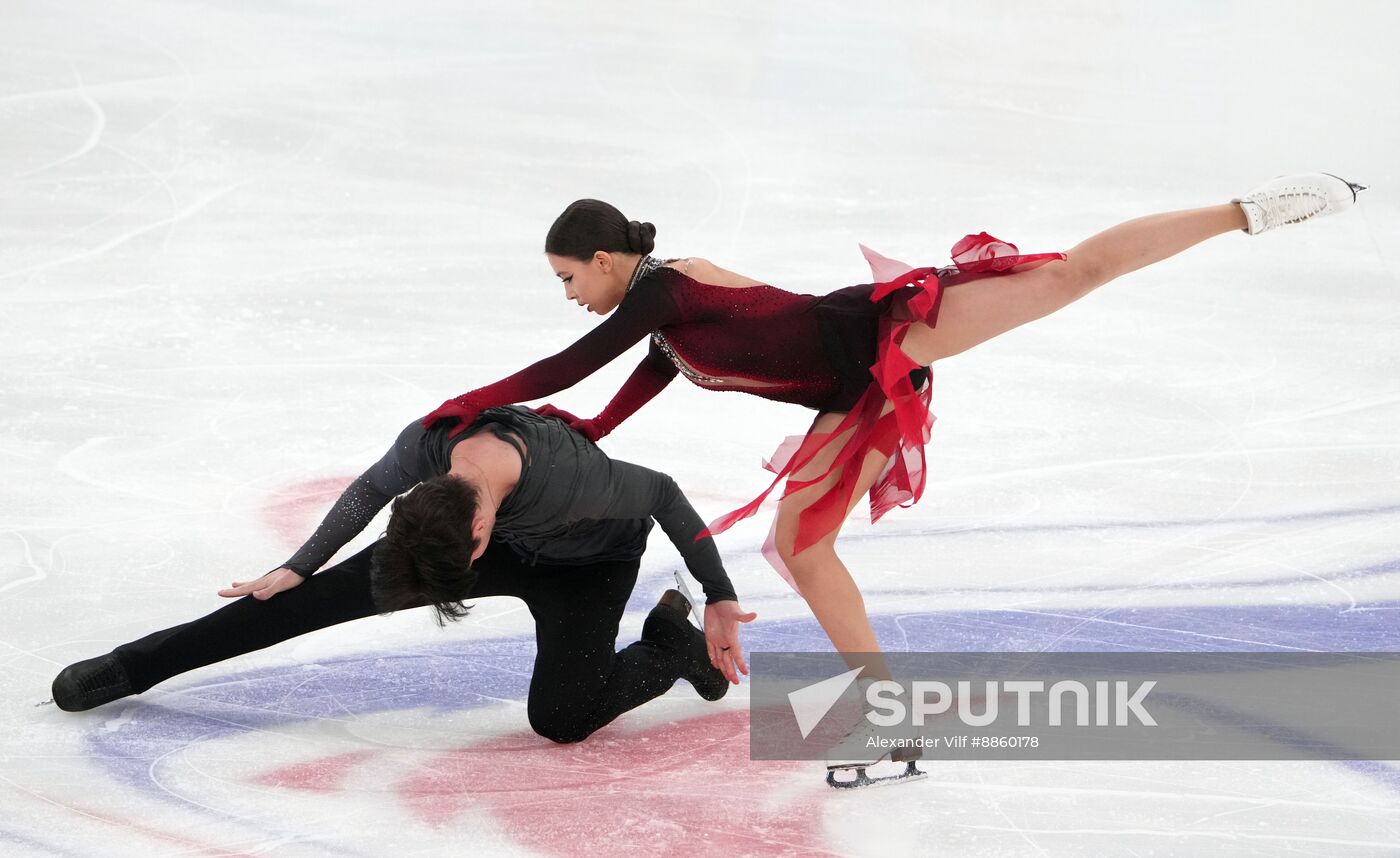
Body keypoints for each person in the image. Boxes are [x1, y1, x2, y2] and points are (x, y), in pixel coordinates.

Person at [421, 174, 1366, 668]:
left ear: (604, 260)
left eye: (568, 278)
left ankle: (1251, 210)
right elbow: (643, 375)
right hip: (852, 395)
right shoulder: (666, 320)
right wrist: (590, 430)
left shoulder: (662, 291)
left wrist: (464, 405)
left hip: (884, 333)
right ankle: (887, 713)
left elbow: (569, 365)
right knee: (800, 546)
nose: (569, 295)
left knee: (1067, 276)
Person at [52, 405, 757, 746]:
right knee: (301, 601)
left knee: (563, 720)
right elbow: (367, 490)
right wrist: (299, 566)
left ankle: (669, 647)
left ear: (477, 539)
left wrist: (719, 594)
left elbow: (663, 493)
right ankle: (131, 666)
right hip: (489, 538)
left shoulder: (570, 482)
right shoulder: (432, 450)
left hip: (590, 565)